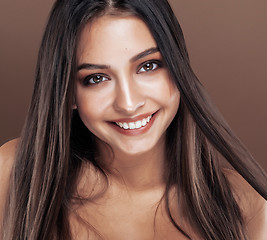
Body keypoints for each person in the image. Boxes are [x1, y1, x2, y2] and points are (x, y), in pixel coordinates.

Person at [0, 0, 266, 239]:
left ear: (178, 68)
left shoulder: (247, 205)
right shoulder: (16, 173)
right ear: (68, 93)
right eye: (96, 78)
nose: (128, 104)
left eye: (147, 66)